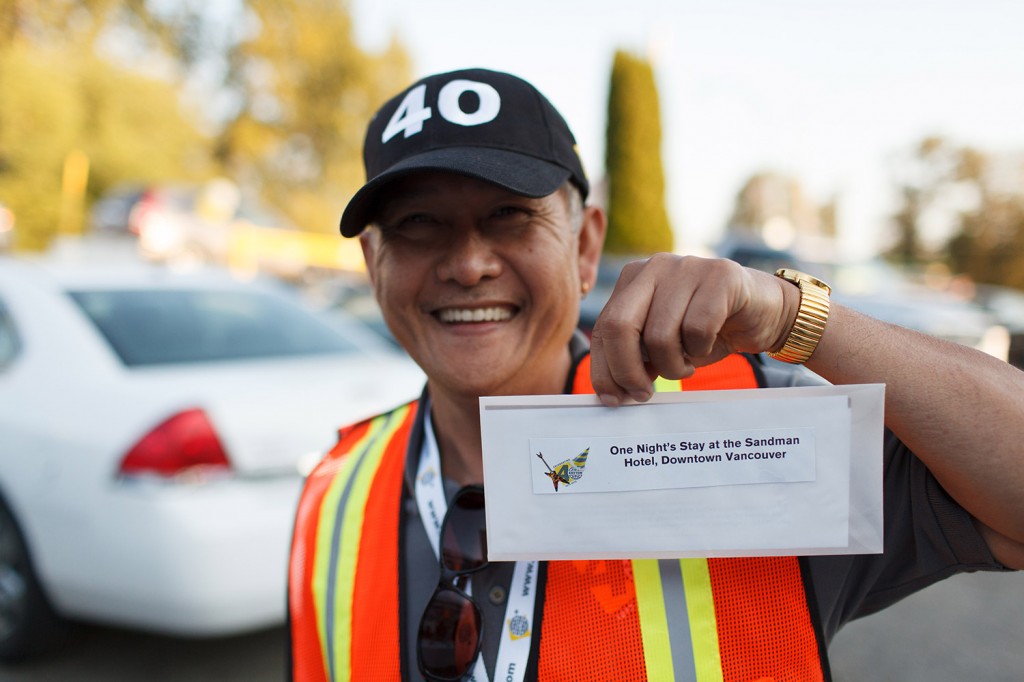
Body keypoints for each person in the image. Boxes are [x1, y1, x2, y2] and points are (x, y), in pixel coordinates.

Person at [287, 68, 1024, 681]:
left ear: (585, 246)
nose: (469, 263)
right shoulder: (332, 492)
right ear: (371, 264)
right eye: (418, 224)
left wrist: (792, 318)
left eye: (510, 216)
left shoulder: (750, 426)